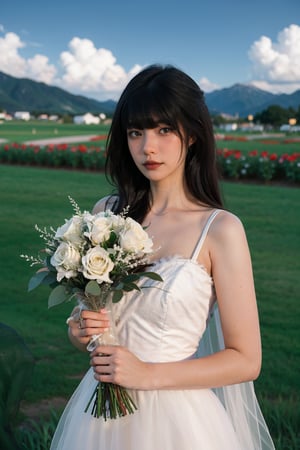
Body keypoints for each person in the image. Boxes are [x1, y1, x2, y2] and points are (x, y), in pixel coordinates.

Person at [50, 64, 275, 449]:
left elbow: (245, 360)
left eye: (164, 130)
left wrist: (147, 374)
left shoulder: (220, 230)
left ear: (193, 135)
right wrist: (81, 331)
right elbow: (96, 326)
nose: (147, 147)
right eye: (136, 132)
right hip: (98, 420)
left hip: (179, 421)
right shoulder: (107, 214)